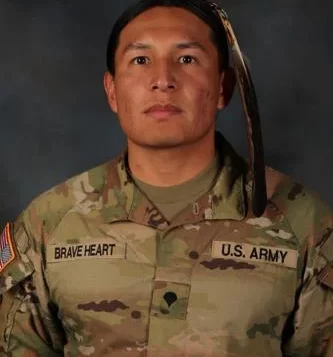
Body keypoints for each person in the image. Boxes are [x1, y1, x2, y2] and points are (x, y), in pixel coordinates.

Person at [0, 0, 332, 356]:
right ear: (112, 90)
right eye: (140, 60)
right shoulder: (48, 223)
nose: (163, 80)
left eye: (187, 59)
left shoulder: (302, 222)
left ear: (224, 87)